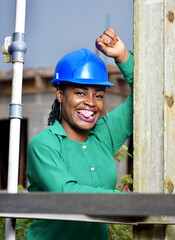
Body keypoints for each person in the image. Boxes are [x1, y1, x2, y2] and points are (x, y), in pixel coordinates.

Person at [27, 27, 133, 240]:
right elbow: (67, 193)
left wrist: (122, 56)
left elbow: (147, 96)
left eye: (99, 95)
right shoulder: (44, 145)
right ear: (60, 94)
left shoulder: (105, 134)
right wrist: (122, 200)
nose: (91, 103)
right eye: (80, 92)